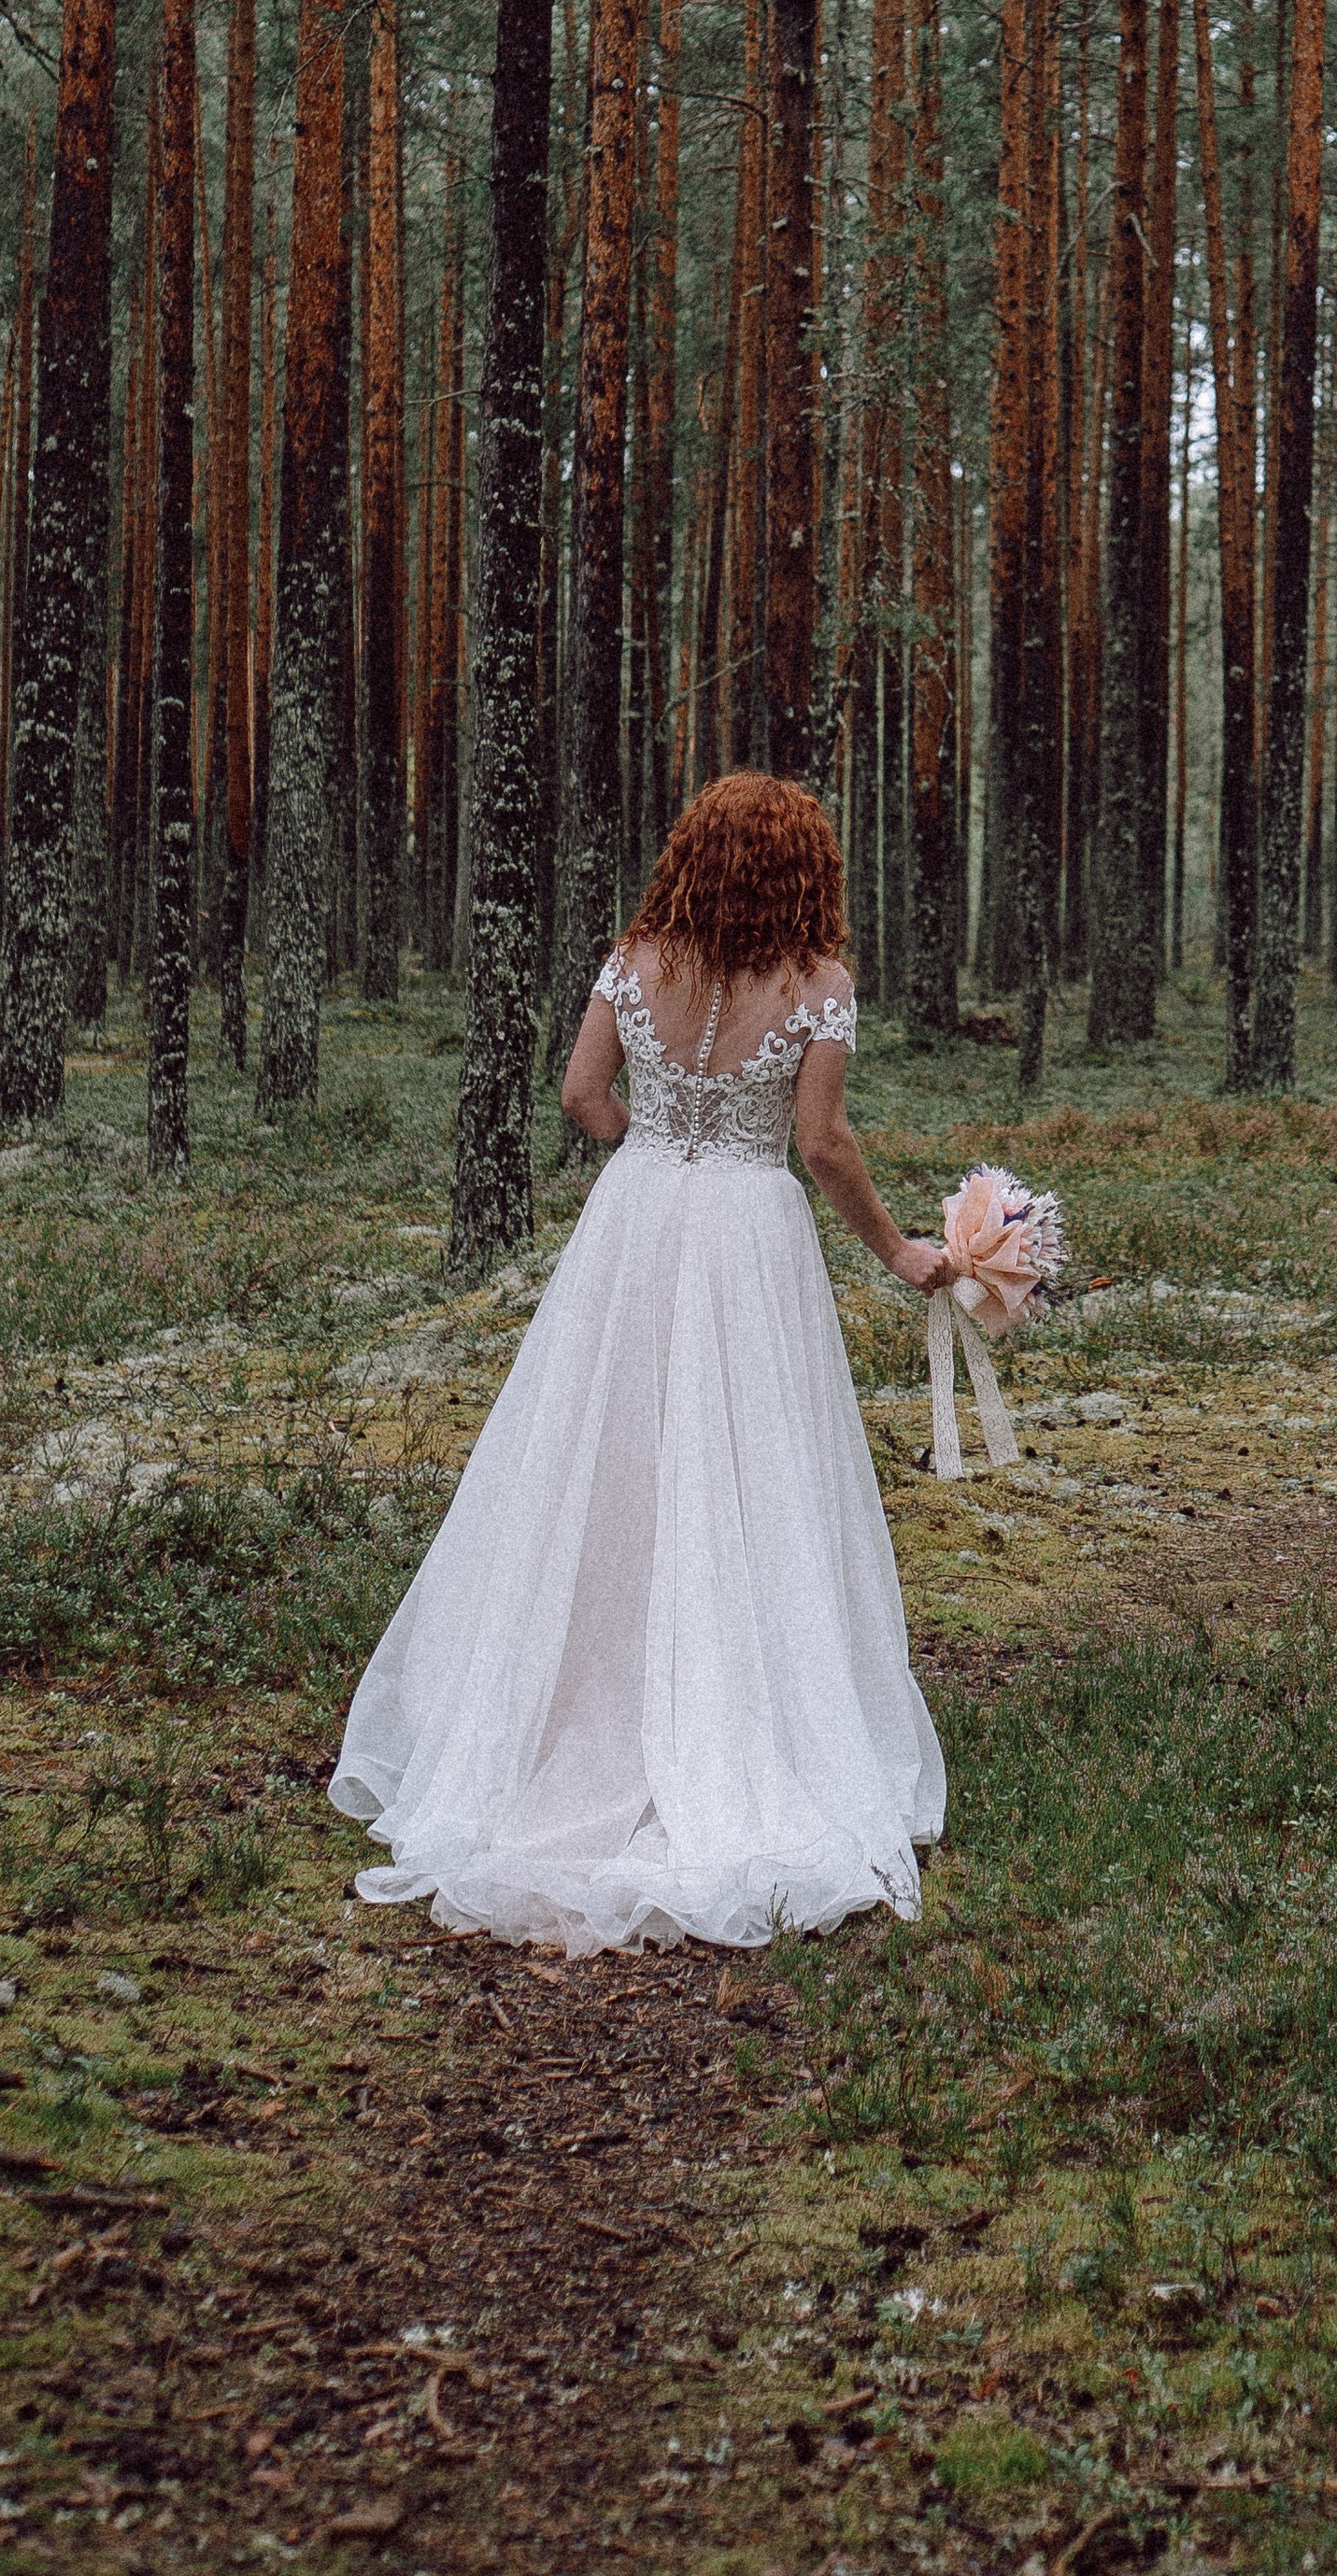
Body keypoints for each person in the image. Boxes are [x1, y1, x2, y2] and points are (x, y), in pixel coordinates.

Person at [329, 771, 951, 1954]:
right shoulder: (816, 986)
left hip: (637, 1221)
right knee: (748, 1469)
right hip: (748, 1236)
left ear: (693, 856)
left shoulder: (634, 961)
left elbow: (579, 1094)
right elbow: (821, 1143)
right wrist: (898, 1250)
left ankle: (563, 1707)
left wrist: (652, 1152)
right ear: (801, 867)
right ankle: (734, 1715)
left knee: (595, 1459)